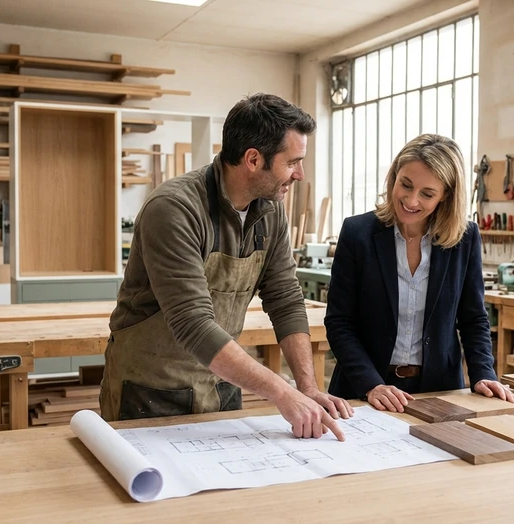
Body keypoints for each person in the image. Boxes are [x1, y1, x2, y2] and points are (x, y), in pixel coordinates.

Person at [100, 93, 353, 440]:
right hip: (151, 390)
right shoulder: (175, 209)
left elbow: (285, 298)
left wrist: (306, 386)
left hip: (221, 383)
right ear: (252, 159)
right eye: (293, 162)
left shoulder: (270, 209)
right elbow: (193, 324)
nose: (300, 174)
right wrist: (281, 391)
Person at [324, 133, 514, 412]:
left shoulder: (464, 238)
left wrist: (483, 373)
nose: (411, 200)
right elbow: (340, 322)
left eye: (427, 194)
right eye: (406, 185)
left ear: (446, 196)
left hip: (440, 390)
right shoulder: (358, 233)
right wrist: (371, 384)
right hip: (363, 389)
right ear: (394, 176)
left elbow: (473, 319)